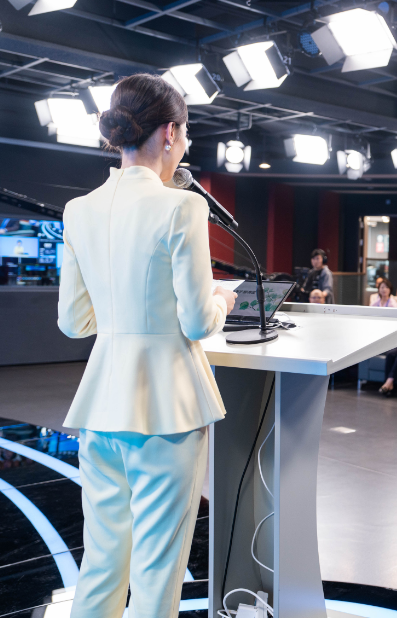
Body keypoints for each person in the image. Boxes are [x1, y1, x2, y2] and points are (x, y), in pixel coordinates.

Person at [57, 73, 239, 616]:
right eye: (184, 135)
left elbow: (73, 321)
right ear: (169, 133)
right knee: (159, 567)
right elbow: (199, 322)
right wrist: (224, 301)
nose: (184, 146)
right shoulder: (182, 207)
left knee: (103, 558)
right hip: (168, 406)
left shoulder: (78, 209)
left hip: (101, 402)